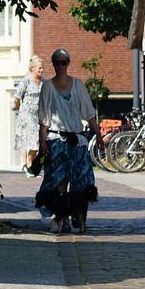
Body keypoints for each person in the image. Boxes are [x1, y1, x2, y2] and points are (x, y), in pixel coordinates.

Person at [36, 48, 98, 233]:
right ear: (53, 65)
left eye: (63, 62)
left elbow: (88, 112)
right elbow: (43, 116)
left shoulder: (78, 85)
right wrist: (42, 141)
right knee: (59, 180)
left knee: (80, 181)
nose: (60, 66)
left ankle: (78, 214)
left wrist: (99, 136)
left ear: (68, 63)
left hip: (76, 139)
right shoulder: (47, 86)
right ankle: (63, 217)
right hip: (56, 139)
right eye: (56, 63)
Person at [14, 56, 46, 178]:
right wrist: (20, 110)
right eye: (39, 68)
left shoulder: (44, 83)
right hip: (26, 114)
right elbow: (17, 97)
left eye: (43, 68)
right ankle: (28, 166)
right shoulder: (26, 81)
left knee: (35, 140)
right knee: (31, 140)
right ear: (33, 68)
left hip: (38, 115)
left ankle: (29, 165)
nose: (42, 71)